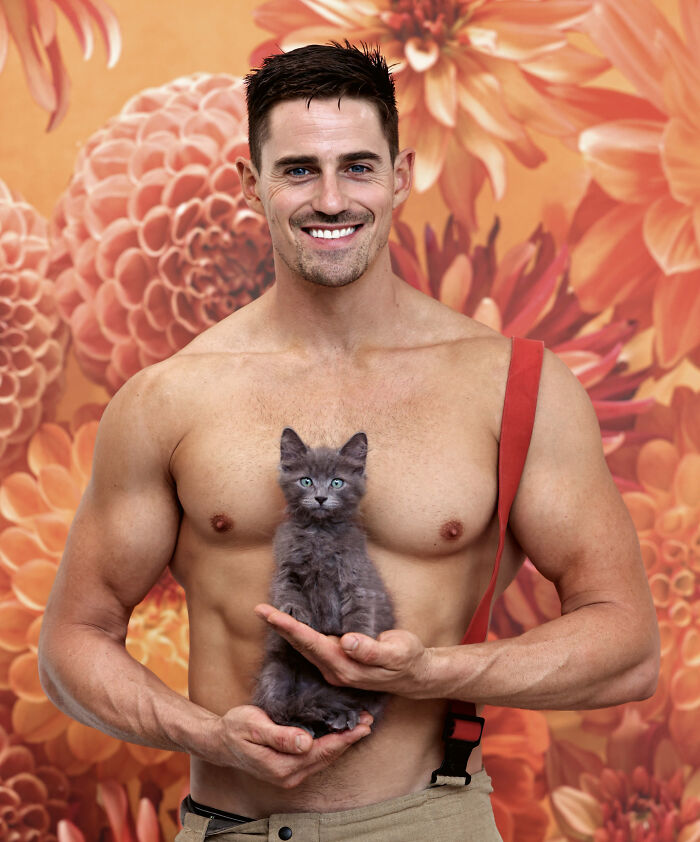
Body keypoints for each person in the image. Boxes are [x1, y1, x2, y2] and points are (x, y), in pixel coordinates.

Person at [38, 42, 660, 842]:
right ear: (249, 182)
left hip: (429, 821)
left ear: (399, 177)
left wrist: (438, 671)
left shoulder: (517, 388)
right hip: (229, 824)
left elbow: (628, 645)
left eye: (358, 167)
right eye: (298, 170)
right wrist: (207, 733)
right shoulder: (168, 398)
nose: (331, 199)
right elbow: (71, 642)